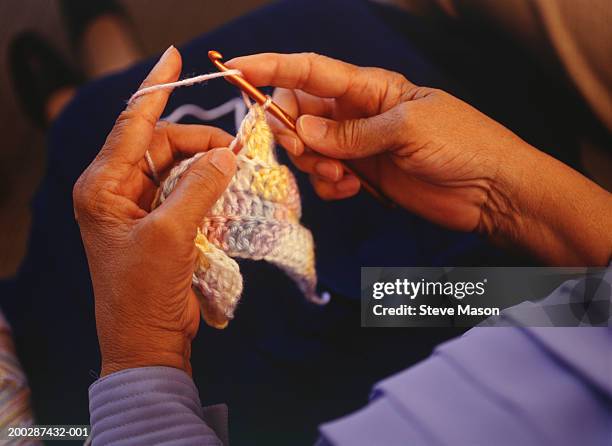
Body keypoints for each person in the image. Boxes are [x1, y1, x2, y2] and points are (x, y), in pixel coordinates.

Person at [2, 0, 610, 444]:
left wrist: (143, 356)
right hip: (487, 295)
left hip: (309, 388)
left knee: (89, 136)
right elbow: (583, 302)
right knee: (390, 292)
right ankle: (98, 79)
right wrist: (506, 197)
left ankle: (79, 92)